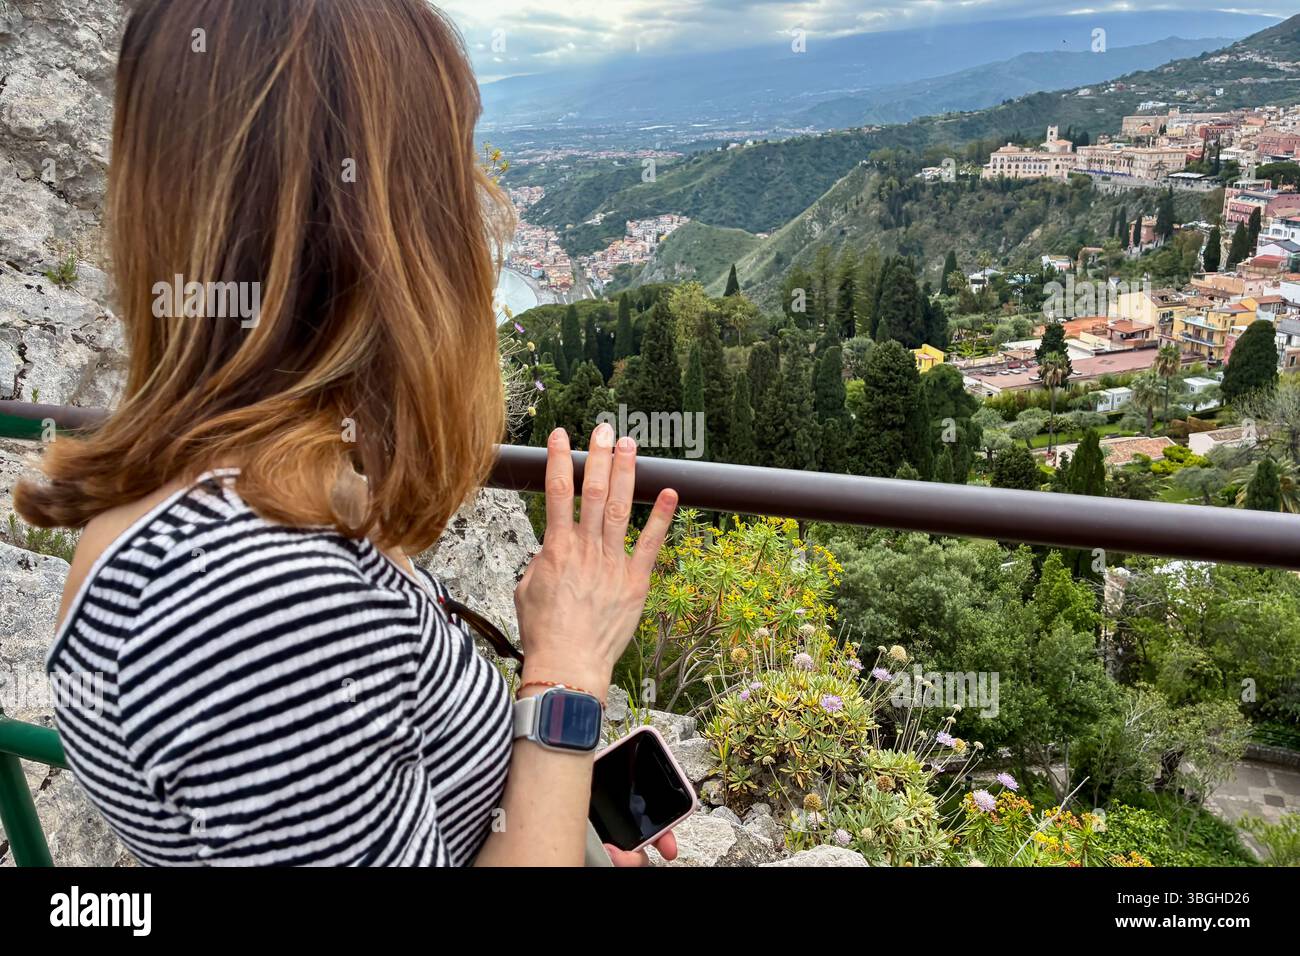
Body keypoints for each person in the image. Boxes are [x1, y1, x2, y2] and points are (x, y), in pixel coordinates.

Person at [15, 0, 679, 867]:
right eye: (453, 169)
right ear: (387, 227)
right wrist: (567, 673)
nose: (488, 208)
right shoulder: (259, 600)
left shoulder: (226, 511)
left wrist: (558, 820)